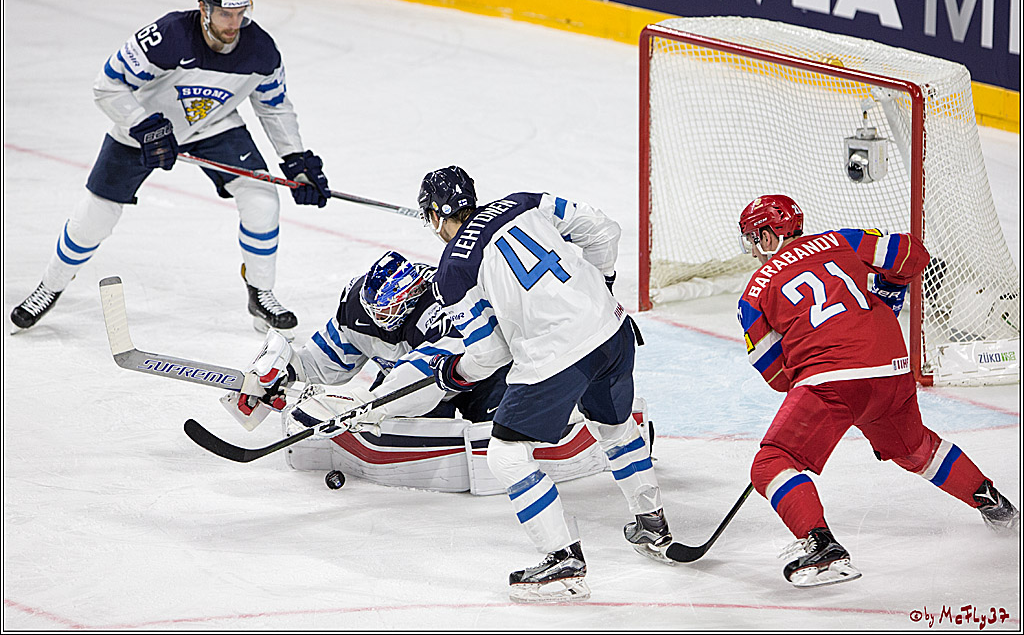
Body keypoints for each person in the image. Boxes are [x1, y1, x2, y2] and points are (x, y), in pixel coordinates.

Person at [11, 0, 331, 337]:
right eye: (226, 13)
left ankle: (260, 294)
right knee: (94, 218)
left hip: (214, 125)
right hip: (146, 126)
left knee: (262, 198)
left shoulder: (260, 50)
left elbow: (274, 106)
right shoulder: (168, 36)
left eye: (241, 12)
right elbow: (108, 85)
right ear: (203, 7)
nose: (234, 22)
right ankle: (49, 286)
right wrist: (144, 126)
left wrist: (295, 160)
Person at [416, 165, 673, 603]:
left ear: (438, 216)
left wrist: (453, 372)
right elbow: (603, 229)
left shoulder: (454, 269)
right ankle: (652, 523)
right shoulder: (522, 201)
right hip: (613, 331)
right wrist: (600, 286)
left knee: (507, 455)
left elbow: (491, 355)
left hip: (558, 355)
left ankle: (562, 560)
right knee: (613, 427)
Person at [737, 194, 1020, 588]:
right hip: (892, 365)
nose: (752, 250)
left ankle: (822, 547)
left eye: (752, 239)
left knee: (771, 462)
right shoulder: (842, 240)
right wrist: (888, 289)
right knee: (915, 447)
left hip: (830, 378)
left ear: (769, 237)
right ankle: (998, 507)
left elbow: (778, 376)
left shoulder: (753, 294)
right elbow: (912, 254)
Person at [228, 250, 508, 437]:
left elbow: (421, 379)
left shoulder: (444, 304)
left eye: (387, 310)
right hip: (409, 376)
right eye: (374, 309)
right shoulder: (358, 308)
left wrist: (367, 405)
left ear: (410, 298)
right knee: (400, 433)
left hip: (480, 374)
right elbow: (327, 357)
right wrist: (288, 371)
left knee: (496, 432)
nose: (378, 317)